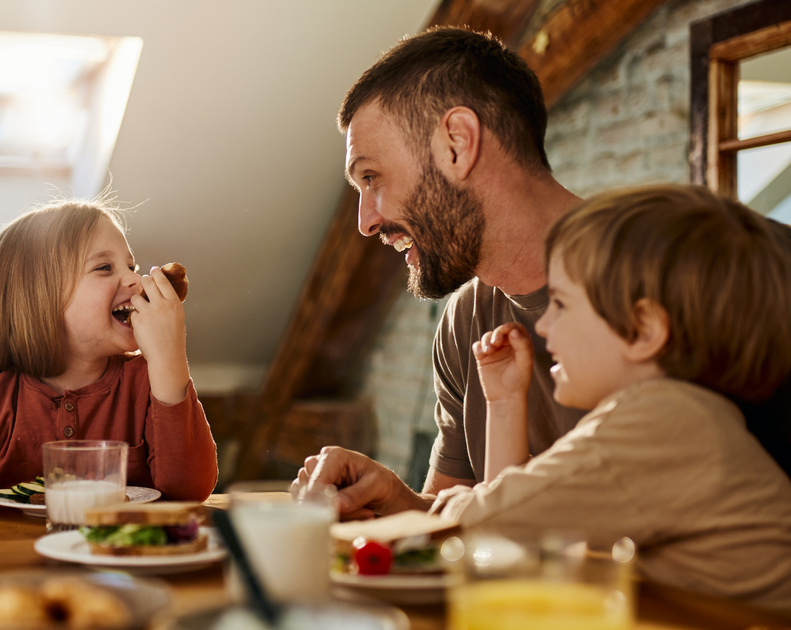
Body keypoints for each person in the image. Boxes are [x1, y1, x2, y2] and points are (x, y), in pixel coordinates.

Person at [439, 185, 791, 612]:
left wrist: (448, 508)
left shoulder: (664, 424)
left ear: (643, 329)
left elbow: (490, 526)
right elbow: (516, 543)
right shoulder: (681, 415)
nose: (544, 325)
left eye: (562, 304)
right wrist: (505, 403)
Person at [292, 26, 584, 518]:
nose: (365, 222)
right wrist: (396, 500)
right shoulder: (467, 320)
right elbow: (464, 520)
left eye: (371, 177)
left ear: (457, 143)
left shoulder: (663, 276)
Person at [0, 198, 217, 506]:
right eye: (104, 268)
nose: (136, 281)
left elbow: (189, 492)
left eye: (131, 266)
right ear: (39, 299)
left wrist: (169, 360)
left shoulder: (150, 383)